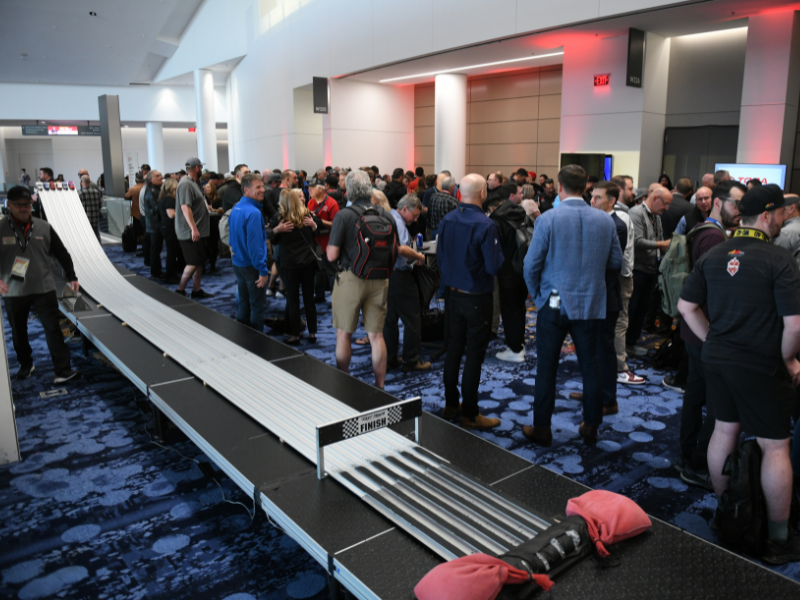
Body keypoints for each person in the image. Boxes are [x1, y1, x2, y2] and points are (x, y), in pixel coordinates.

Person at [678, 184, 800, 564]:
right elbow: (794, 325)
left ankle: (725, 513)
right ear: (767, 215)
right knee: (775, 445)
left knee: (724, 430)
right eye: (781, 213)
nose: (784, 218)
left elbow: (686, 306)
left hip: (717, 359)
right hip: (761, 363)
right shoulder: (780, 260)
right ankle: (779, 539)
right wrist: (791, 361)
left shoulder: (715, 254)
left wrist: (712, 339)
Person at [522, 166, 622, 446]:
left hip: (552, 304)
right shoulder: (605, 221)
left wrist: (538, 297)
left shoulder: (548, 219)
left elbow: (530, 265)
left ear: (560, 187)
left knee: (547, 368)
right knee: (591, 366)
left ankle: (542, 428)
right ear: (586, 188)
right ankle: (591, 425)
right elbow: (616, 263)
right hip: (590, 303)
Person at [676, 180, 745, 490]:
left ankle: (690, 455)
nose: (740, 211)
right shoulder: (714, 237)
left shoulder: (706, 231)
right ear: (719, 202)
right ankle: (697, 461)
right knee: (713, 402)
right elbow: (712, 290)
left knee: (697, 394)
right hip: (704, 329)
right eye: (736, 203)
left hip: (698, 328)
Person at [437, 174, 505, 430]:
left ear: (459, 192)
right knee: (474, 356)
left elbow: (441, 258)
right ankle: (471, 412)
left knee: (453, 349)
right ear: (483, 193)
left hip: (453, 295)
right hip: (476, 297)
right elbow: (494, 265)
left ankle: (451, 404)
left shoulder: (448, 219)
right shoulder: (485, 225)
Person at [0, 186, 80, 383]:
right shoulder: (1, 229)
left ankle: (62, 370)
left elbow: (62, 253)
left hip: (43, 287)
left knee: (53, 328)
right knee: (18, 332)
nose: (23, 208)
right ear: (9, 205)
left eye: (27, 204)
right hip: (14, 289)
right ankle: (25, 364)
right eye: (18, 205)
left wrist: (72, 276)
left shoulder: (44, 227)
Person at [327, 170, 396, 388]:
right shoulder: (386, 214)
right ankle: (380, 385)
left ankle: (343, 381)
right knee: (376, 336)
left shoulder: (344, 215)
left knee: (343, 334)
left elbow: (332, 255)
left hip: (351, 278)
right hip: (381, 278)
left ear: (347, 191)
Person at [570, 182, 628, 414]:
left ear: (612, 201)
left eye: (597, 198)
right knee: (588, 348)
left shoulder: (618, 225)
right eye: (591, 197)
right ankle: (593, 390)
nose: (591, 201)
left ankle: (608, 400)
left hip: (606, 296)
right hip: (589, 295)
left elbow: (609, 263)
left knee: (604, 350)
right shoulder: (594, 220)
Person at [384, 195, 429, 372]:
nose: (416, 219)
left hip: (387, 275)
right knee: (412, 318)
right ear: (404, 209)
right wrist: (419, 257)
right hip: (400, 276)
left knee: (390, 319)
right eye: (415, 215)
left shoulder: (388, 216)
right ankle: (412, 360)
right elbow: (402, 249)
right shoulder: (399, 222)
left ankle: (389, 358)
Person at [270, 189, 321, 344]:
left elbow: (273, 240)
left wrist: (276, 230)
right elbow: (314, 235)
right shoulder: (307, 215)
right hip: (308, 262)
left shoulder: (280, 218)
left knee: (292, 300)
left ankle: (295, 335)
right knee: (308, 298)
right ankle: (312, 333)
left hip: (290, 264)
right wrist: (314, 226)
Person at [625, 186, 672, 356]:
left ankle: (632, 341)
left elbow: (658, 238)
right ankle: (625, 344)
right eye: (665, 204)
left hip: (651, 269)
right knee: (632, 309)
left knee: (642, 309)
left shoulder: (656, 216)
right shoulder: (636, 213)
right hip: (637, 270)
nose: (666, 208)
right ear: (655, 198)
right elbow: (636, 241)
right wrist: (662, 245)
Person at [490, 182, 530, 363]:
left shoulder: (497, 219)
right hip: (522, 268)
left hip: (506, 270)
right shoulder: (521, 214)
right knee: (519, 308)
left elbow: (494, 248)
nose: (522, 195)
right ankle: (518, 344)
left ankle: (515, 349)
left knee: (509, 310)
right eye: (520, 192)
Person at [229, 174, 270, 332]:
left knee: (244, 303)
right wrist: (262, 269)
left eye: (262, 186)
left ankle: (244, 337)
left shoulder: (236, 208)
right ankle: (256, 342)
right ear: (246, 190)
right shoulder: (254, 213)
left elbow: (231, 239)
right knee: (257, 305)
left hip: (238, 263)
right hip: (251, 266)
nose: (262, 190)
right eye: (258, 187)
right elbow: (255, 247)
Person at [175, 157, 214, 298]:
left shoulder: (192, 183)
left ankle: (196, 290)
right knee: (193, 261)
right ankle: (180, 290)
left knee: (199, 261)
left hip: (197, 230)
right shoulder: (186, 183)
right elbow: (185, 207)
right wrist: (194, 228)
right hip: (190, 232)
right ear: (197, 168)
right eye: (201, 168)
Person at [307, 178, 340, 302]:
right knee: (317, 271)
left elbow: (336, 224)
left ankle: (335, 298)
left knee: (332, 272)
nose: (309, 190)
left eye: (312, 187)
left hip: (328, 242)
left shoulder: (332, 203)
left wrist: (320, 221)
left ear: (320, 188)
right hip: (315, 242)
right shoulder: (311, 202)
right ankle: (319, 295)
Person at [157, 178, 182, 283]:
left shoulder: (163, 197)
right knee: (172, 252)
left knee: (172, 252)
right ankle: (170, 276)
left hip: (165, 226)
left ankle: (172, 274)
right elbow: (171, 214)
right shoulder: (169, 199)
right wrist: (183, 213)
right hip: (169, 227)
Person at [141, 170, 164, 279]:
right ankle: (156, 272)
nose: (161, 177)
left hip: (154, 224)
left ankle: (157, 270)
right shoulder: (153, 191)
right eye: (158, 176)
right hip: (155, 225)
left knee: (156, 249)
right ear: (151, 179)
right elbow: (157, 208)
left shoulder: (153, 189)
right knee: (155, 249)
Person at [78, 174, 103, 241]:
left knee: (86, 238)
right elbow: (100, 205)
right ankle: (99, 249)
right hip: (95, 219)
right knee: (96, 235)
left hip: (85, 220)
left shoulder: (80, 193)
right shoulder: (97, 192)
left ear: (81, 182)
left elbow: (78, 208)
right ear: (89, 182)